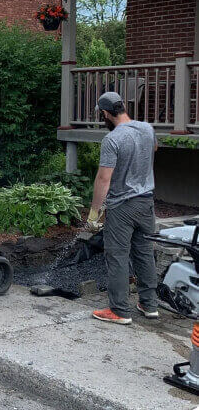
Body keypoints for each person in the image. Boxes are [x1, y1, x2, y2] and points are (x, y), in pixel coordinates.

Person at [88, 91, 159, 325]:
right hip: (146, 202)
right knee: (145, 253)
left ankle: (119, 310)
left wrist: (94, 213)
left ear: (106, 114)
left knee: (117, 256)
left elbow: (103, 179)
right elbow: (155, 148)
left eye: (102, 116)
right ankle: (149, 305)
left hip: (122, 206)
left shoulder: (113, 139)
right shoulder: (146, 129)